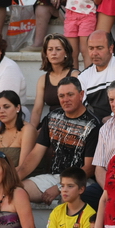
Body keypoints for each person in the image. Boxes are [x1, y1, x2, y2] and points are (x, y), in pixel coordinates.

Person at [17, 77, 101, 205]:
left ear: (81, 95)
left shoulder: (93, 124)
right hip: (52, 177)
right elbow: (35, 154)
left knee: (67, 197)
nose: (65, 99)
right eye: (61, 96)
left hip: (80, 180)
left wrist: (60, 187)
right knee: (15, 192)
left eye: (70, 95)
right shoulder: (53, 117)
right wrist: (13, 180)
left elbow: (89, 168)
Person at [30, 33, 80, 127]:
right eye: (50, 49)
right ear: (46, 54)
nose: (53, 53)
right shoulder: (43, 79)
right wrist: (31, 131)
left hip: (72, 124)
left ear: (66, 53)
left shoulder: (75, 75)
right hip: (50, 123)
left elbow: (80, 107)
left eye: (58, 49)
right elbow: (37, 110)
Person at [0, 91, 37, 170]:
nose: (1, 111)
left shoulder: (27, 130)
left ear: (18, 108)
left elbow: (23, 167)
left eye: (6, 107)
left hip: (23, 177)